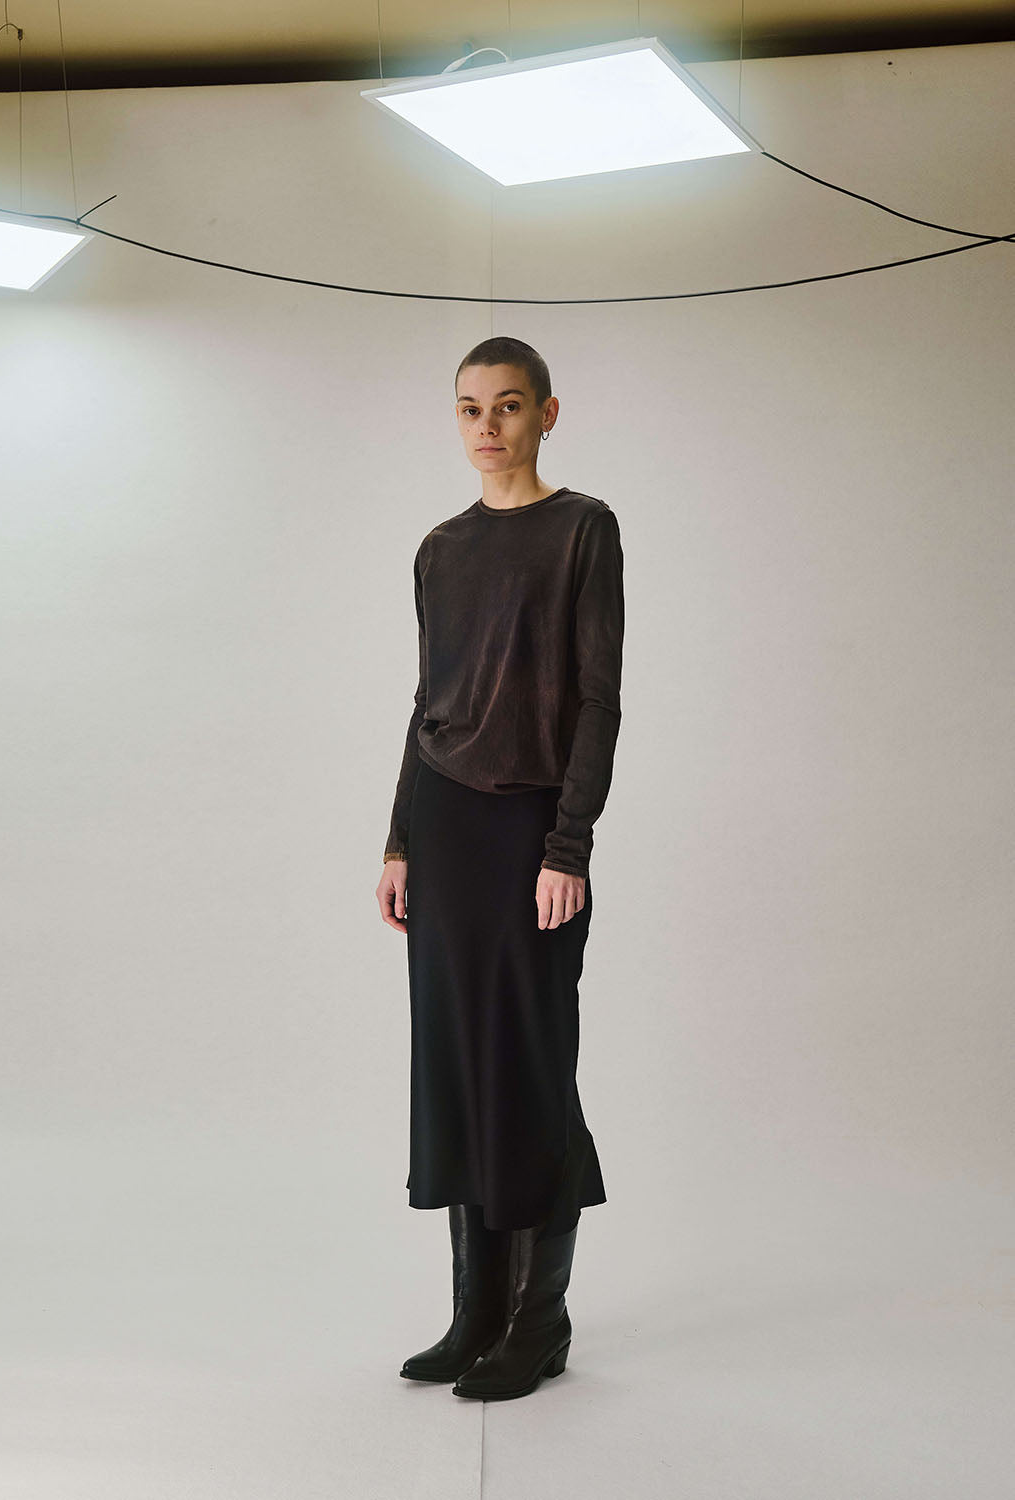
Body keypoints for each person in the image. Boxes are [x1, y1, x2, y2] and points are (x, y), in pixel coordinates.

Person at [375, 336, 625, 1402]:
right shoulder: (439, 548)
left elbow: (598, 698)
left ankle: (539, 1317)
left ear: (546, 414)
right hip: (443, 827)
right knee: (457, 1064)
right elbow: (427, 700)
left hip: (529, 829)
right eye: (470, 408)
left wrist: (568, 845)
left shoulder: (582, 530)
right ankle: (475, 1311)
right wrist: (398, 839)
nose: (487, 426)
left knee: (529, 1064)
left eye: (508, 405)